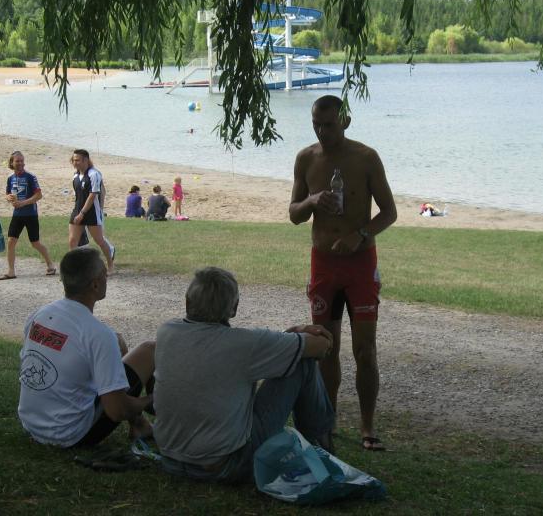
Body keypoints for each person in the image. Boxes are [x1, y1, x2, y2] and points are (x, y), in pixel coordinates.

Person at [152, 267, 335, 483]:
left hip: (171, 459)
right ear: (234, 308)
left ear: (187, 302)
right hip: (226, 465)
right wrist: (301, 331)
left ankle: (318, 445)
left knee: (291, 354)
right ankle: (321, 445)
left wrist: (289, 336)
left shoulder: (167, 331)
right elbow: (320, 346)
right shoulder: (244, 344)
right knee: (301, 361)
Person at [289, 95, 397, 452]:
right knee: (326, 347)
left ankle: (368, 426)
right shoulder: (306, 158)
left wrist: (359, 234)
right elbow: (294, 214)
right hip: (324, 265)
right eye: (316, 124)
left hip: (359, 265)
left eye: (329, 125)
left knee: (365, 350)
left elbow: (389, 212)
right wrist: (311, 201)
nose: (322, 131)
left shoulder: (365, 158)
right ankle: (328, 422)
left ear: (345, 122)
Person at [18, 247, 155, 447]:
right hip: (70, 435)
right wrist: (151, 399)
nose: (107, 277)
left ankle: (139, 424)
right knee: (150, 350)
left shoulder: (40, 314)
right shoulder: (98, 334)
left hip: (32, 424)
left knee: (117, 341)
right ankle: (152, 423)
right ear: (95, 284)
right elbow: (117, 411)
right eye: (104, 273)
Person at [0, 151, 56, 280]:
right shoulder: (10, 178)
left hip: (31, 215)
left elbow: (39, 195)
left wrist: (23, 203)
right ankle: (11, 271)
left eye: (22, 161)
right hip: (17, 215)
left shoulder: (30, 177)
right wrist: (9, 198)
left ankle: (50, 265)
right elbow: (7, 194)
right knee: (11, 241)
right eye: (17, 161)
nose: (20, 163)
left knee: (35, 243)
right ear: (12, 163)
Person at [68, 149, 115, 273]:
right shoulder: (75, 176)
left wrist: (82, 213)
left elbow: (93, 195)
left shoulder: (94, 174)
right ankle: (75, 267)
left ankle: (110, 265)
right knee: (72, 240)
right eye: (73, 160)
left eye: (77, 160)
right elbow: (78, 195)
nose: (74, 162)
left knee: (99, 240)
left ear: (85, 160)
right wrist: (78, 212)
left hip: (91, 212)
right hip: (77, 210)